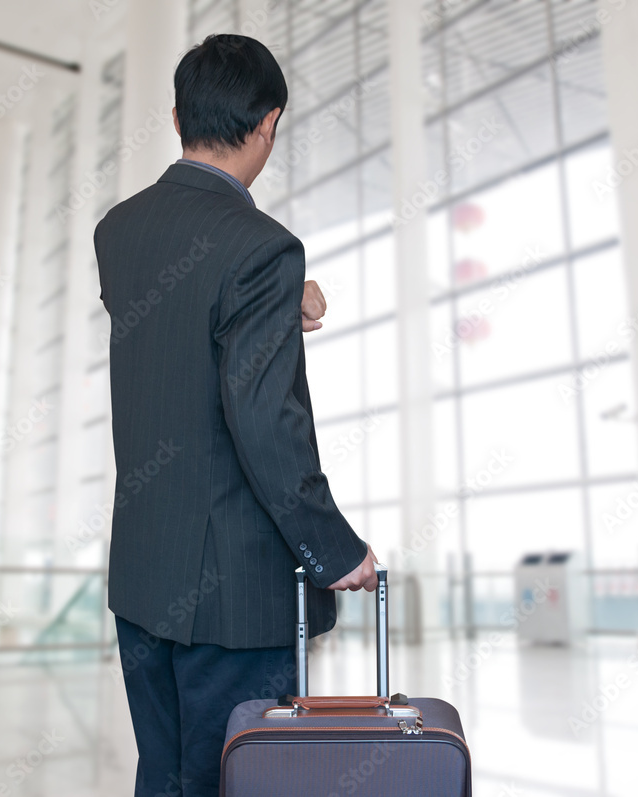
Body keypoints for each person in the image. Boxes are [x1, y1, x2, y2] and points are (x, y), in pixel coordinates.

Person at [94, 33, 379, 796]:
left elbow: (181, 313)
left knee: (166, 775)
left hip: (144, 580)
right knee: (239, 779)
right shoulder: (264, 247)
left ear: (179, 113)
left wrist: (287, 295)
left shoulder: (118, 233)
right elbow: (261, 420)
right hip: (237, 594)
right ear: (269, 124)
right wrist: (332, 547)